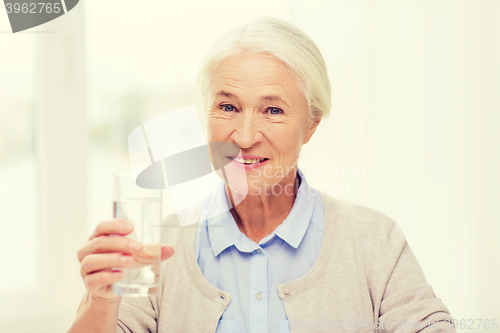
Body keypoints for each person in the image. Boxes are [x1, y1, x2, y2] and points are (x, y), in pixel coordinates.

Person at [67, 16, 456, 333]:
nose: (246, 136)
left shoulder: (375, 241)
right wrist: (100, 301)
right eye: (228, 107)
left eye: (273, 110)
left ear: (312, 124)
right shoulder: (159, 249)